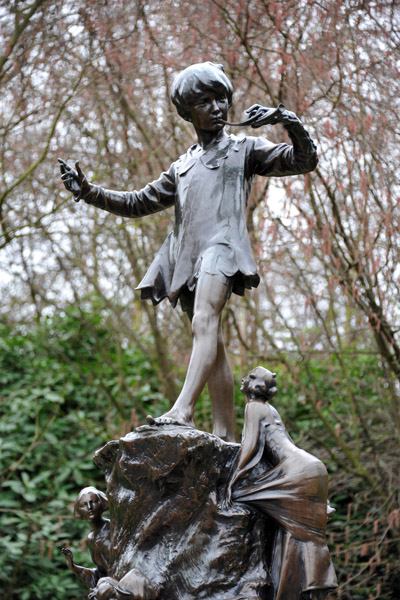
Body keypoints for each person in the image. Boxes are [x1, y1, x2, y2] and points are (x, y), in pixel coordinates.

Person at [59, 62, 318, 442]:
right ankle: (224, 435)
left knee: (204, 321)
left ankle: (182, 409)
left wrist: (288, 121)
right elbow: (137, 202)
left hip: (223, 248)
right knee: (212, 345)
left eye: (222, 99)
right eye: (205, 101)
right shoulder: (183, 166)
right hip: (185, 256)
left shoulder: (244, 149)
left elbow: (304, 160)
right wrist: (88, 190)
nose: (217, 107)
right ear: (187, 112)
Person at [230, 367, 337, 600]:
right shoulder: (270, 409)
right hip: (314, 468)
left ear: (257, 386)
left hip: (298, 472)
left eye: (249, 376)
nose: (243, 378)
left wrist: (233, 479)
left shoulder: (255, 407)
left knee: (241, 496)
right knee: (301, 537)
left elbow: (249, 449)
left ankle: (295, 592)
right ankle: (305, 591)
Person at [62, 486, 110, 590]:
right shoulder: (91, 538)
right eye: (84, 505)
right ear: (79, 510)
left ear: (101, 503)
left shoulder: (113, 528)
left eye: (93, 502)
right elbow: (100, 573)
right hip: (108, 585)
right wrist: (73, 567)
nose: (89, 507)